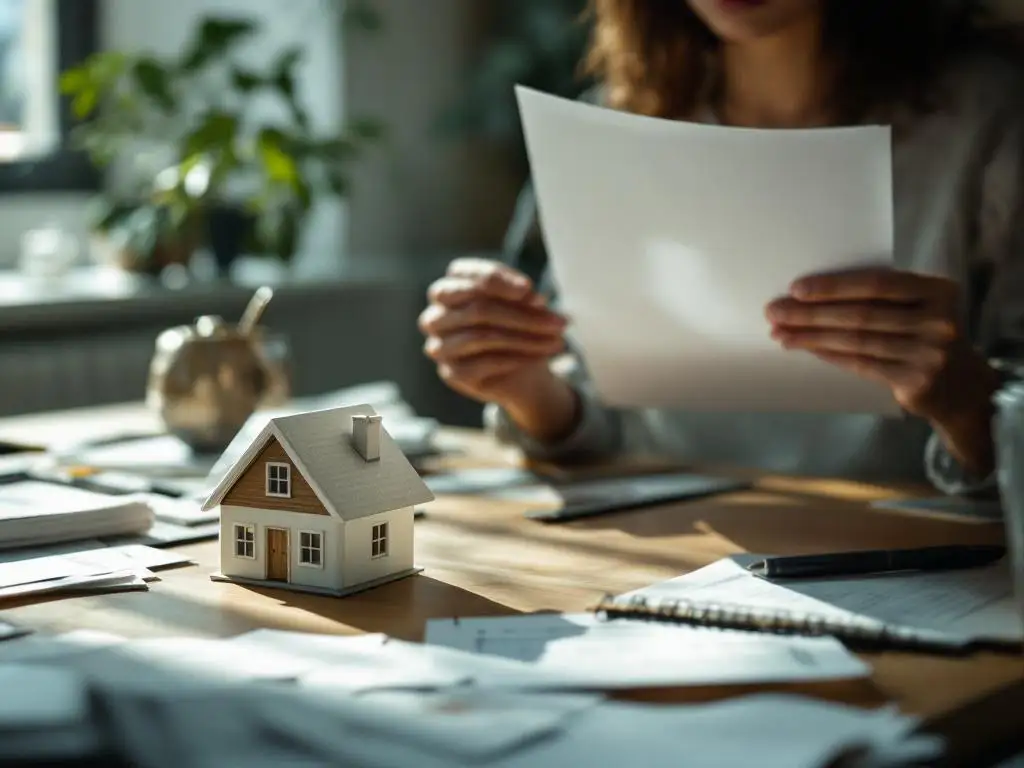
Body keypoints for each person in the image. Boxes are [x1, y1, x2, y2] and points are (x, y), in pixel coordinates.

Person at [419, 0, 1024, 494]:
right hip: (655, 549)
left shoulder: (989, 119)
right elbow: (594, 426)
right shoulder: (612, 122)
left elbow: (1000, 433)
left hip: (911, 566)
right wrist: (522, 381)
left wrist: (969, 403)